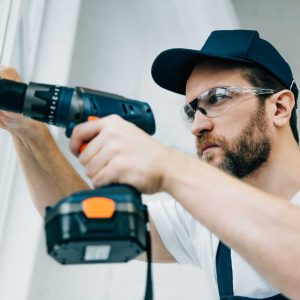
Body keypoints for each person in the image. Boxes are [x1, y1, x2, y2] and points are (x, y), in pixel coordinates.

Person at [0, 30, 299, 299]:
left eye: (217, 98)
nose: (197, 125)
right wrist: (28, 131)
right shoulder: (205, 223)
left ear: (280, 108)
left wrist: (168, 165)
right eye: (191, 110)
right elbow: (80, 215)